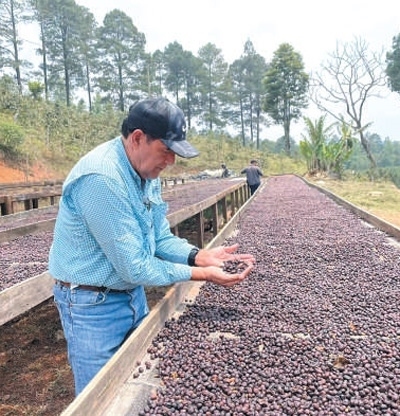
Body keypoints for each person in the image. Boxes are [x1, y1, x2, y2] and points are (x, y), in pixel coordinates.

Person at [48, 97, 255, 396]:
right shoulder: (102, 179)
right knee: (100, 396)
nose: (171, 162)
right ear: (137, 138)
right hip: (91, 305)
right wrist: (201, 274)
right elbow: (134, 266)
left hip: (131, 293)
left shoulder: (146, 172)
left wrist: (198, 256)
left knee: (135, 386)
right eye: (166, 150)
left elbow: (158, 237)